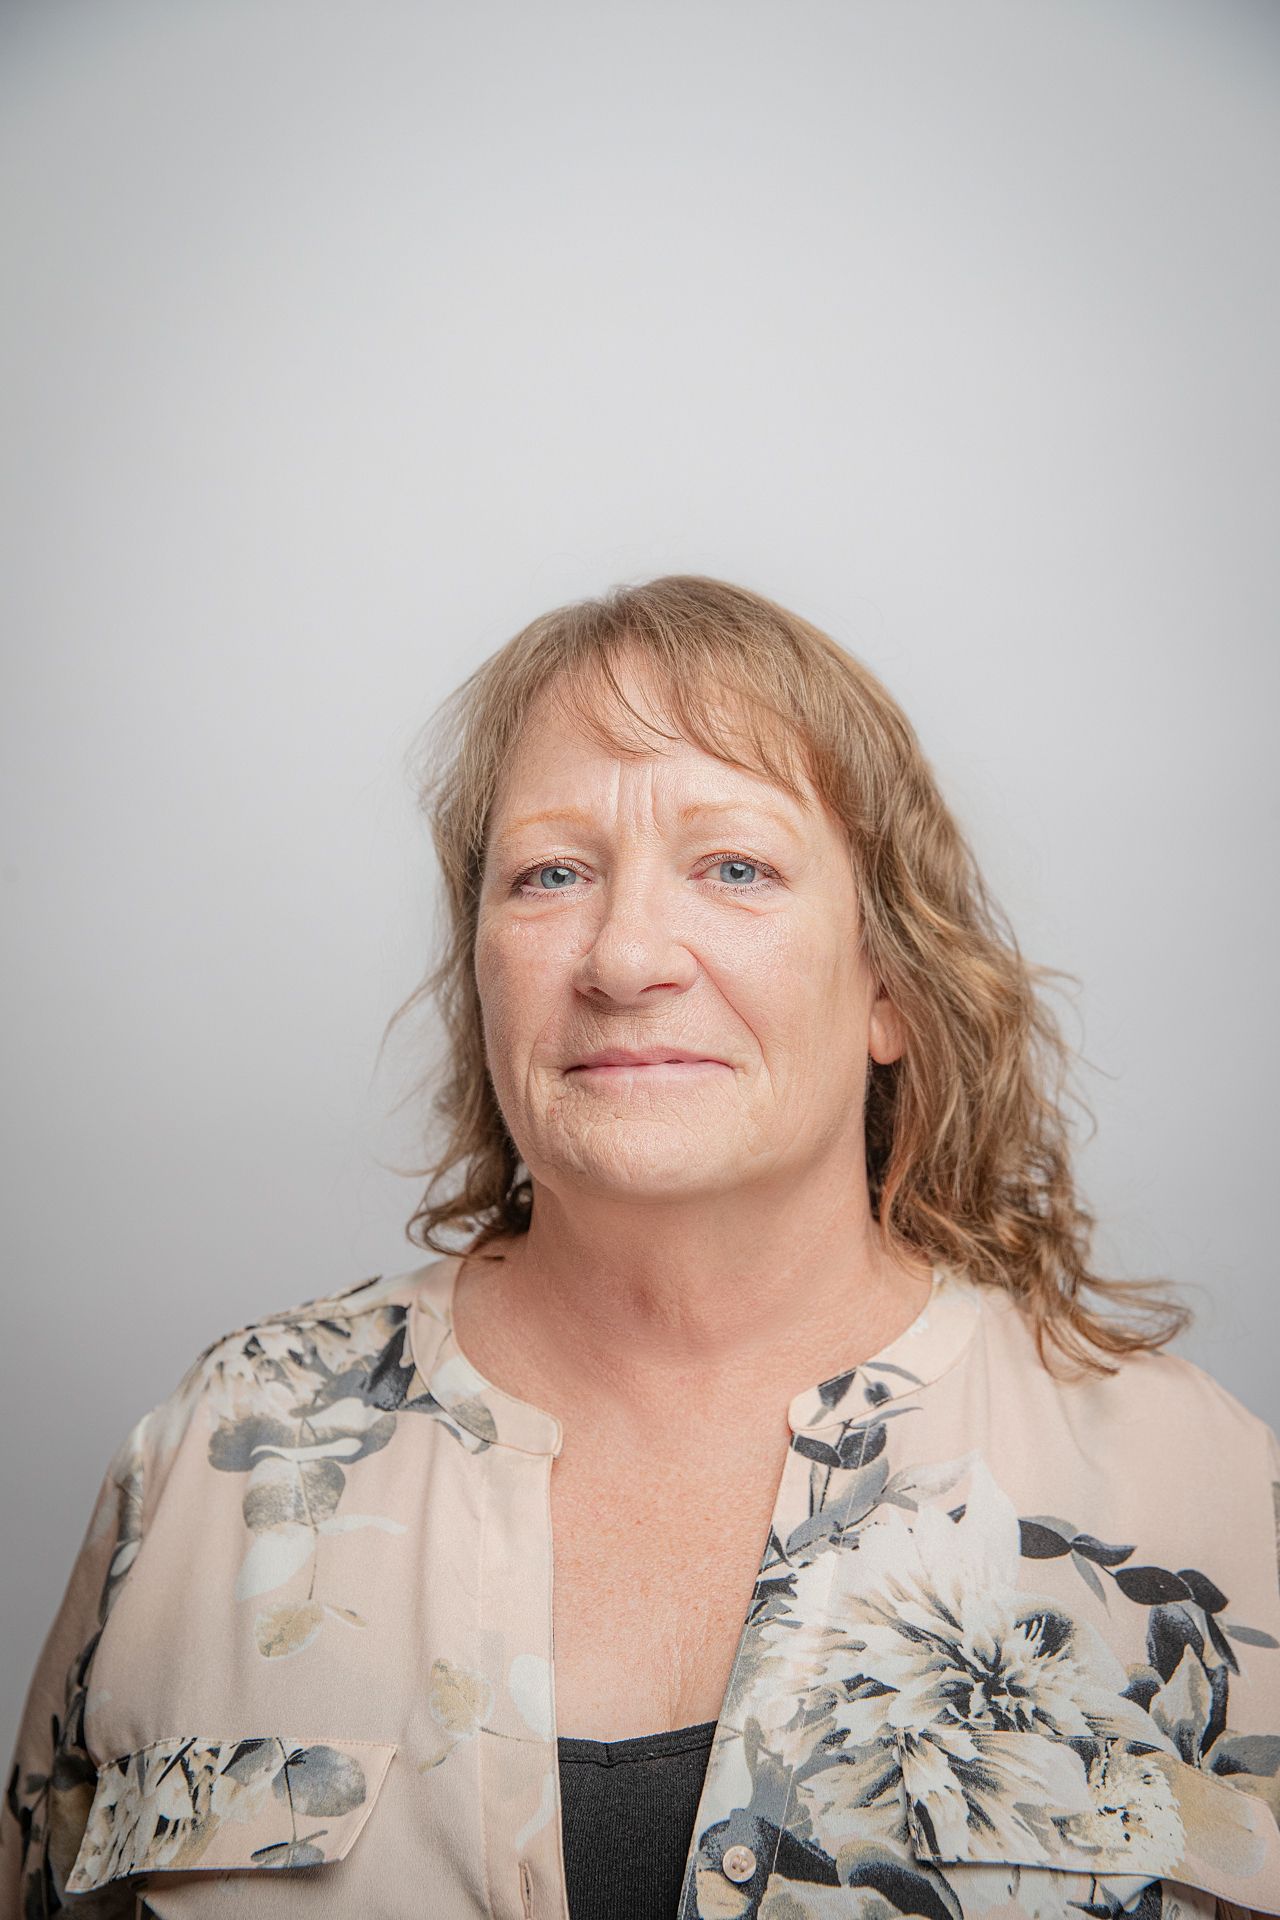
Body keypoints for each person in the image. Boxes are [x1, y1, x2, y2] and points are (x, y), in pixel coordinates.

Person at [3, 574, 1278, 1920]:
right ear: (481, 967)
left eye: (735, 868)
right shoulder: (210, 1465)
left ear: (892, 988)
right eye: (550, 875)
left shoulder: (1199, 1496)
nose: (623, 956)